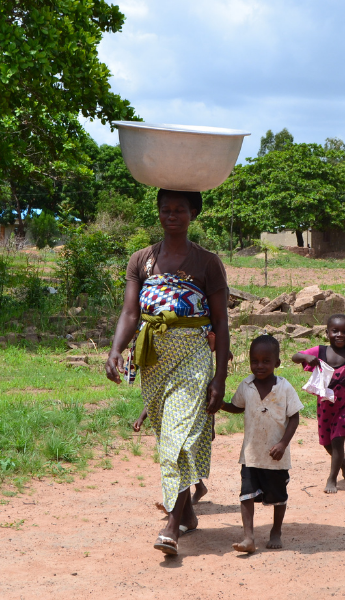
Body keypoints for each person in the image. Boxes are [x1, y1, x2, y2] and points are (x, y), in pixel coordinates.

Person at [105, 189, 230, 556]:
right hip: (153, 359)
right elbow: (130, 314)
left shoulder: (208, 263)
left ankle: (171, 527)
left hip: (192, 358)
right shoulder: (141, 260)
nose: (171, 215)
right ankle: (188, 513)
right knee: (168, 437)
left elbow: (221, 323)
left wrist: (220, 377)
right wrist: (115, 350)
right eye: (165, 209)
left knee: (177, 439)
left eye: (179, 210)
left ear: (193, 213)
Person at [220, 335, 302, 553]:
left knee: (278, 496)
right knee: (246, 494)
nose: (259, 365)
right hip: (251, 453)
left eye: (266, 361)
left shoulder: (284, 387)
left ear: (277, 362)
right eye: (254, 361)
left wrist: (283, 443)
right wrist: (219, 405)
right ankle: (248, 537)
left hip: (277, 456)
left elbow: (294, 416)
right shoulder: (246, 385)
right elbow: (238, 407)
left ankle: (276, 530)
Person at [292, 305, 345, 493]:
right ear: (327, 332)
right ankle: (342, 462)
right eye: (335, 331)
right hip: (325, 407)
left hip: (344, 406)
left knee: (338, 439)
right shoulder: (320, 351)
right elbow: (294, 356)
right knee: (327, 444)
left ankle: (332, 479)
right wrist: (306, 358)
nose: (340, 335)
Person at [133, 408, 209, 506]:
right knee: (177, 459)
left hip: (188, 422)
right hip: (171, 423)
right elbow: (154, 397)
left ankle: (174, 504)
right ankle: (195, 490)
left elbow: (209, 396)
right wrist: (141, 418)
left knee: (181, 457)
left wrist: (211, 425)